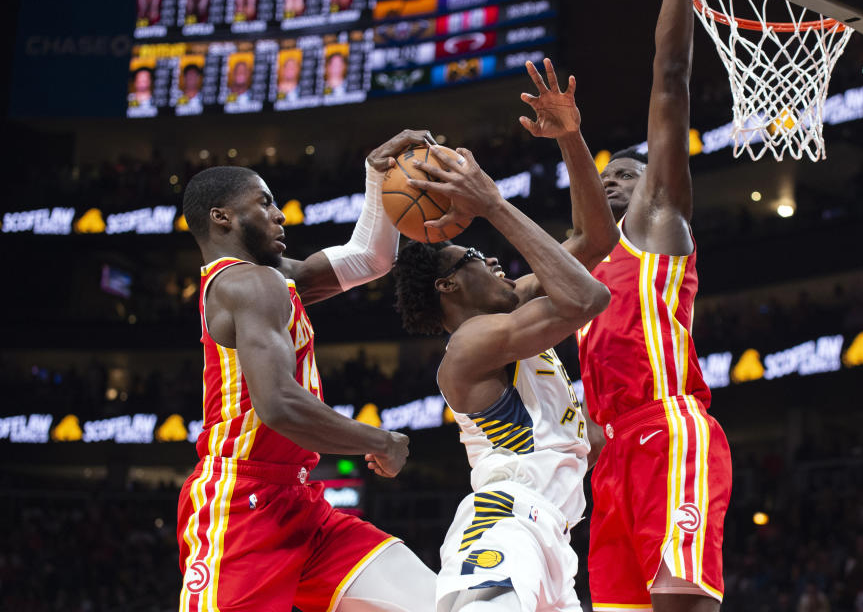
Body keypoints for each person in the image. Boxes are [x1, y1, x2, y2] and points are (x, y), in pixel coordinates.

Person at [176, 130, 439, 612]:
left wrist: (376, 175)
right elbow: (277, 404)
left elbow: (371, 259)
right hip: (240, 503)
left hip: (300, 501)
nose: (281, 214)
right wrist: (377, 439)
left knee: (435, 603)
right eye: (265, 203)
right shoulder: (250, 284)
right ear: (222, 217)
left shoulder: (272, 279)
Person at [392, 61, 616, 610]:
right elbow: (589, 297)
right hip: (504, 522)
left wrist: (571, 138)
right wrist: (491, 206)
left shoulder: (515, 311)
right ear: (448, 284)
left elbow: (595, 238)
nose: (492, 257)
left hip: (553, 535)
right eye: (473, 255)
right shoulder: (471, 347)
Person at [574, 0, 733, 611]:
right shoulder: (582, 282)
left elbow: (669, 81)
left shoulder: (658, 226)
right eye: (605, 173)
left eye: (629, 173)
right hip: (613, 459)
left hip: (669, 429)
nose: (614, 178)